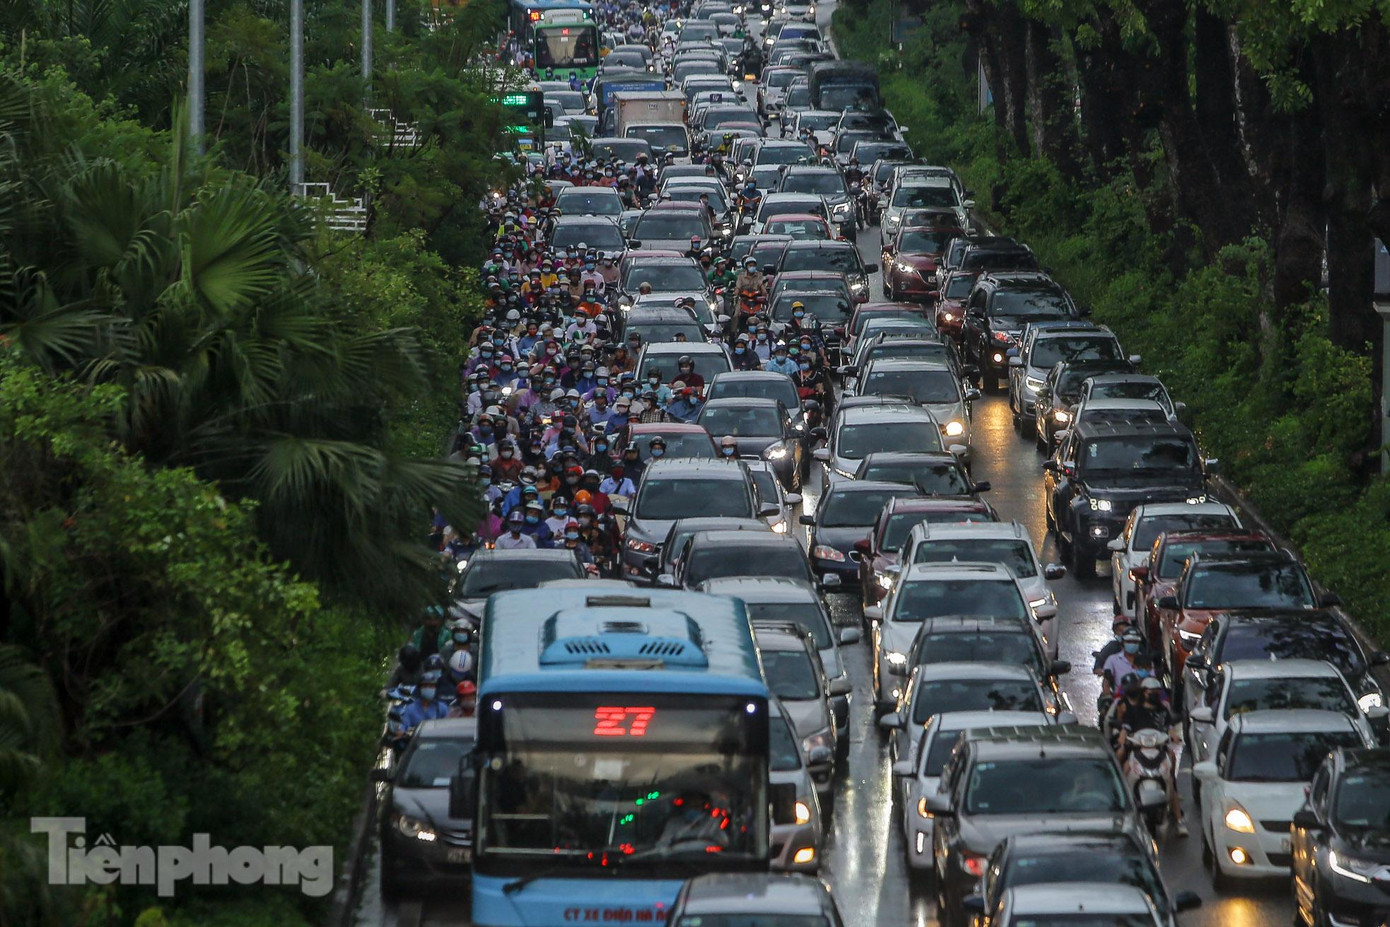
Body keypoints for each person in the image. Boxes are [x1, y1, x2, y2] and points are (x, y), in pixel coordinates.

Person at [1117, 676, 1187, 836]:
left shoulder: (1163, 711)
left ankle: (1179, 820)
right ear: (1144, 692)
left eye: (1157, 692)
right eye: (1151, 692)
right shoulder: (1134, 711)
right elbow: (1125, 729)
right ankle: (1119, 788)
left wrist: (1173, 736)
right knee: (1125, 763)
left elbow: (1169, 728)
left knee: (1170, 768)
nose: (1154, 694)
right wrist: (1123, 739)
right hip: (1137, 748)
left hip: (1159, 749)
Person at [1101, 628, 1145, 697]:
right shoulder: (1112, 659)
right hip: (1119, 698)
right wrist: (1109, 697)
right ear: (1123, 642)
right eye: (1129, 642)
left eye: (1135, 642)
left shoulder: (1145, 660)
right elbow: (1106, 683)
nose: (1132, 644)